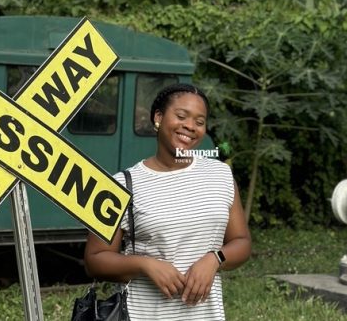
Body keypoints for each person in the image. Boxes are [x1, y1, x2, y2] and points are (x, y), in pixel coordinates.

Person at [84, 83, 251, 320]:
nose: (190, 127)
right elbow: (95, 260)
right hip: (141, 314)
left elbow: (242, 242)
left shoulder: (220, 175)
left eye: (200, 122)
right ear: (159, 118)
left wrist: (215, 258)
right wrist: (145, 265)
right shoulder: (121, 185)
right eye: (181, 116)